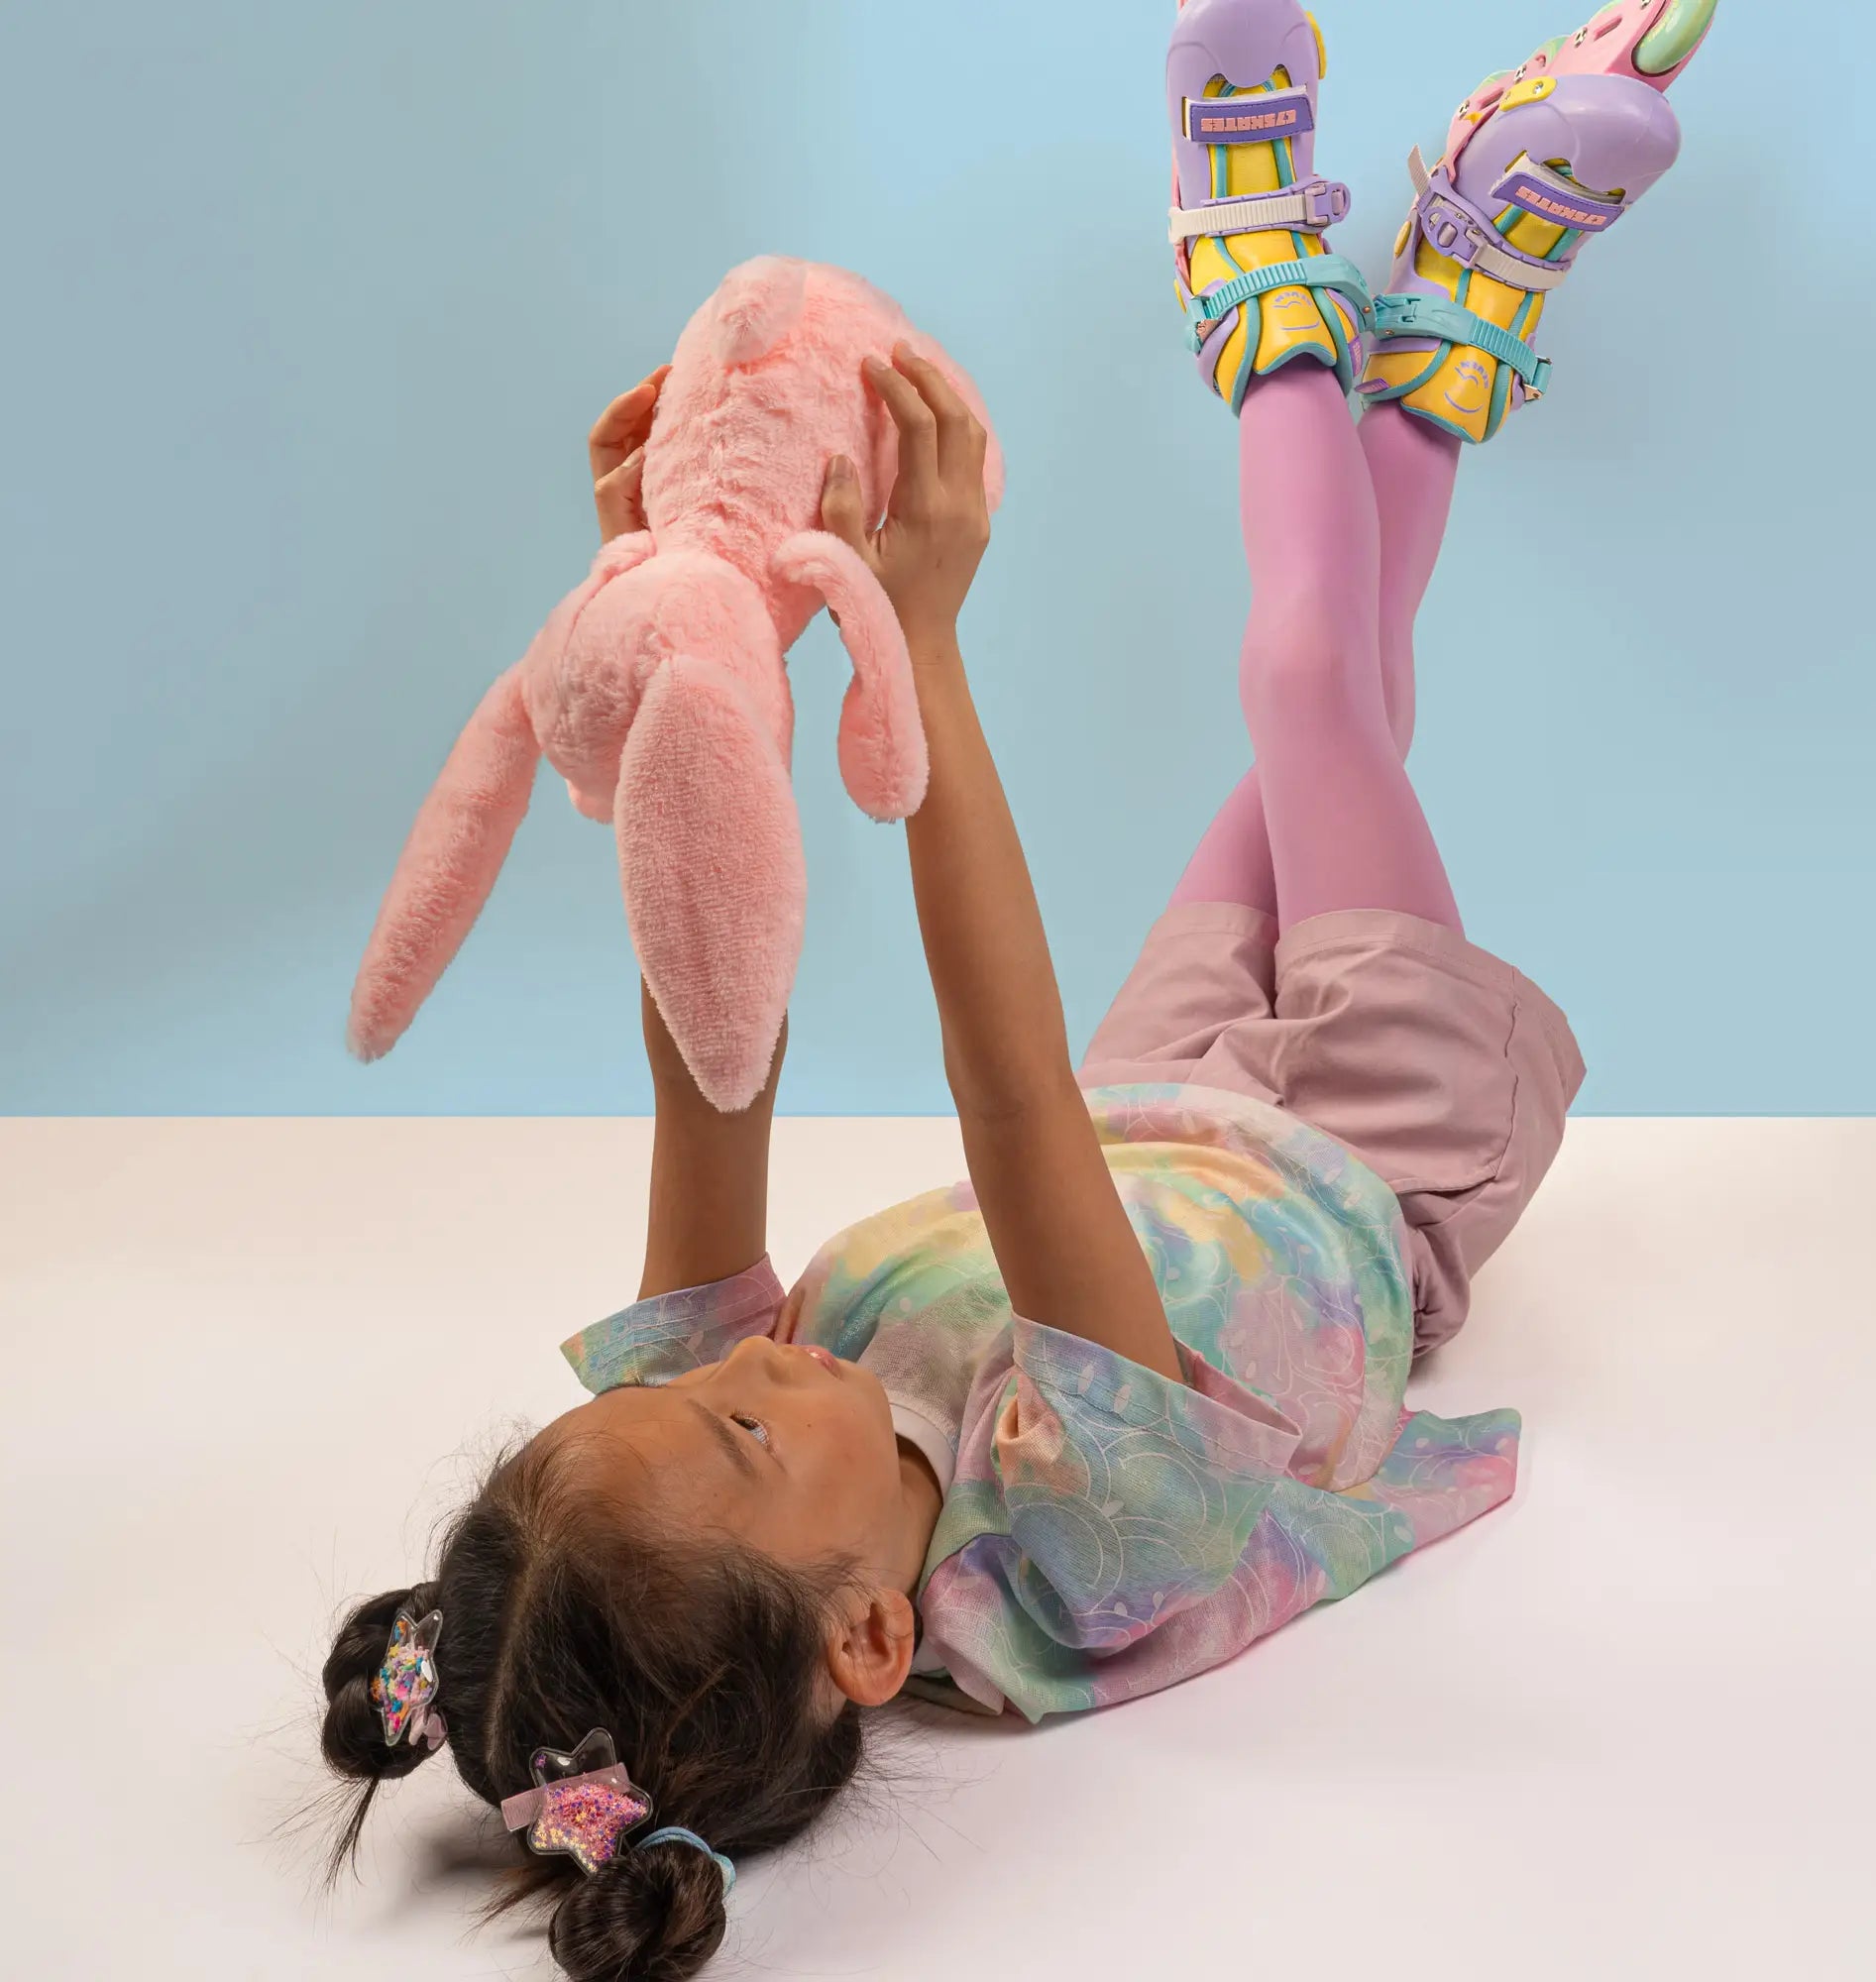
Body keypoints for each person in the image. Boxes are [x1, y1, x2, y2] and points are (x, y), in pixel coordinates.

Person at [319, 5, 1714, 1977]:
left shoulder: (706, 1491)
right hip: (1377, 1159)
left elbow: (714, 1048)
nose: (736, 1360)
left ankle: (1455, 304)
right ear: (870, 1635)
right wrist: (925, 645)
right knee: (1311, 689)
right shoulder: (1088, 1549)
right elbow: (1003, 1100)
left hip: (1168, 1087)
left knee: (1350, 677)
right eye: (734, 1423)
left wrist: (692, 650)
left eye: (693, 1382)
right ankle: (1255, 275)